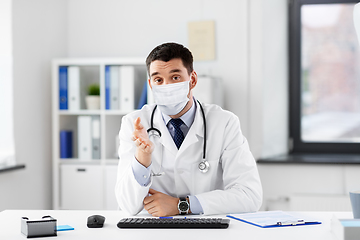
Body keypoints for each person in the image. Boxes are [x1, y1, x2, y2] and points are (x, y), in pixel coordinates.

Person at [115, 42, 262, 217]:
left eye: (175, 77)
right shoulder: (134, 123)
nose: (167, 86)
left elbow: (249, 196)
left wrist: (182, 205)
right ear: (150, 84)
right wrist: (142, 158)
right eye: (158, 80)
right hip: (154, 229)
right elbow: (127, 206)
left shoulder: (224, 123)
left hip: (206, 228)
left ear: (192, 80)